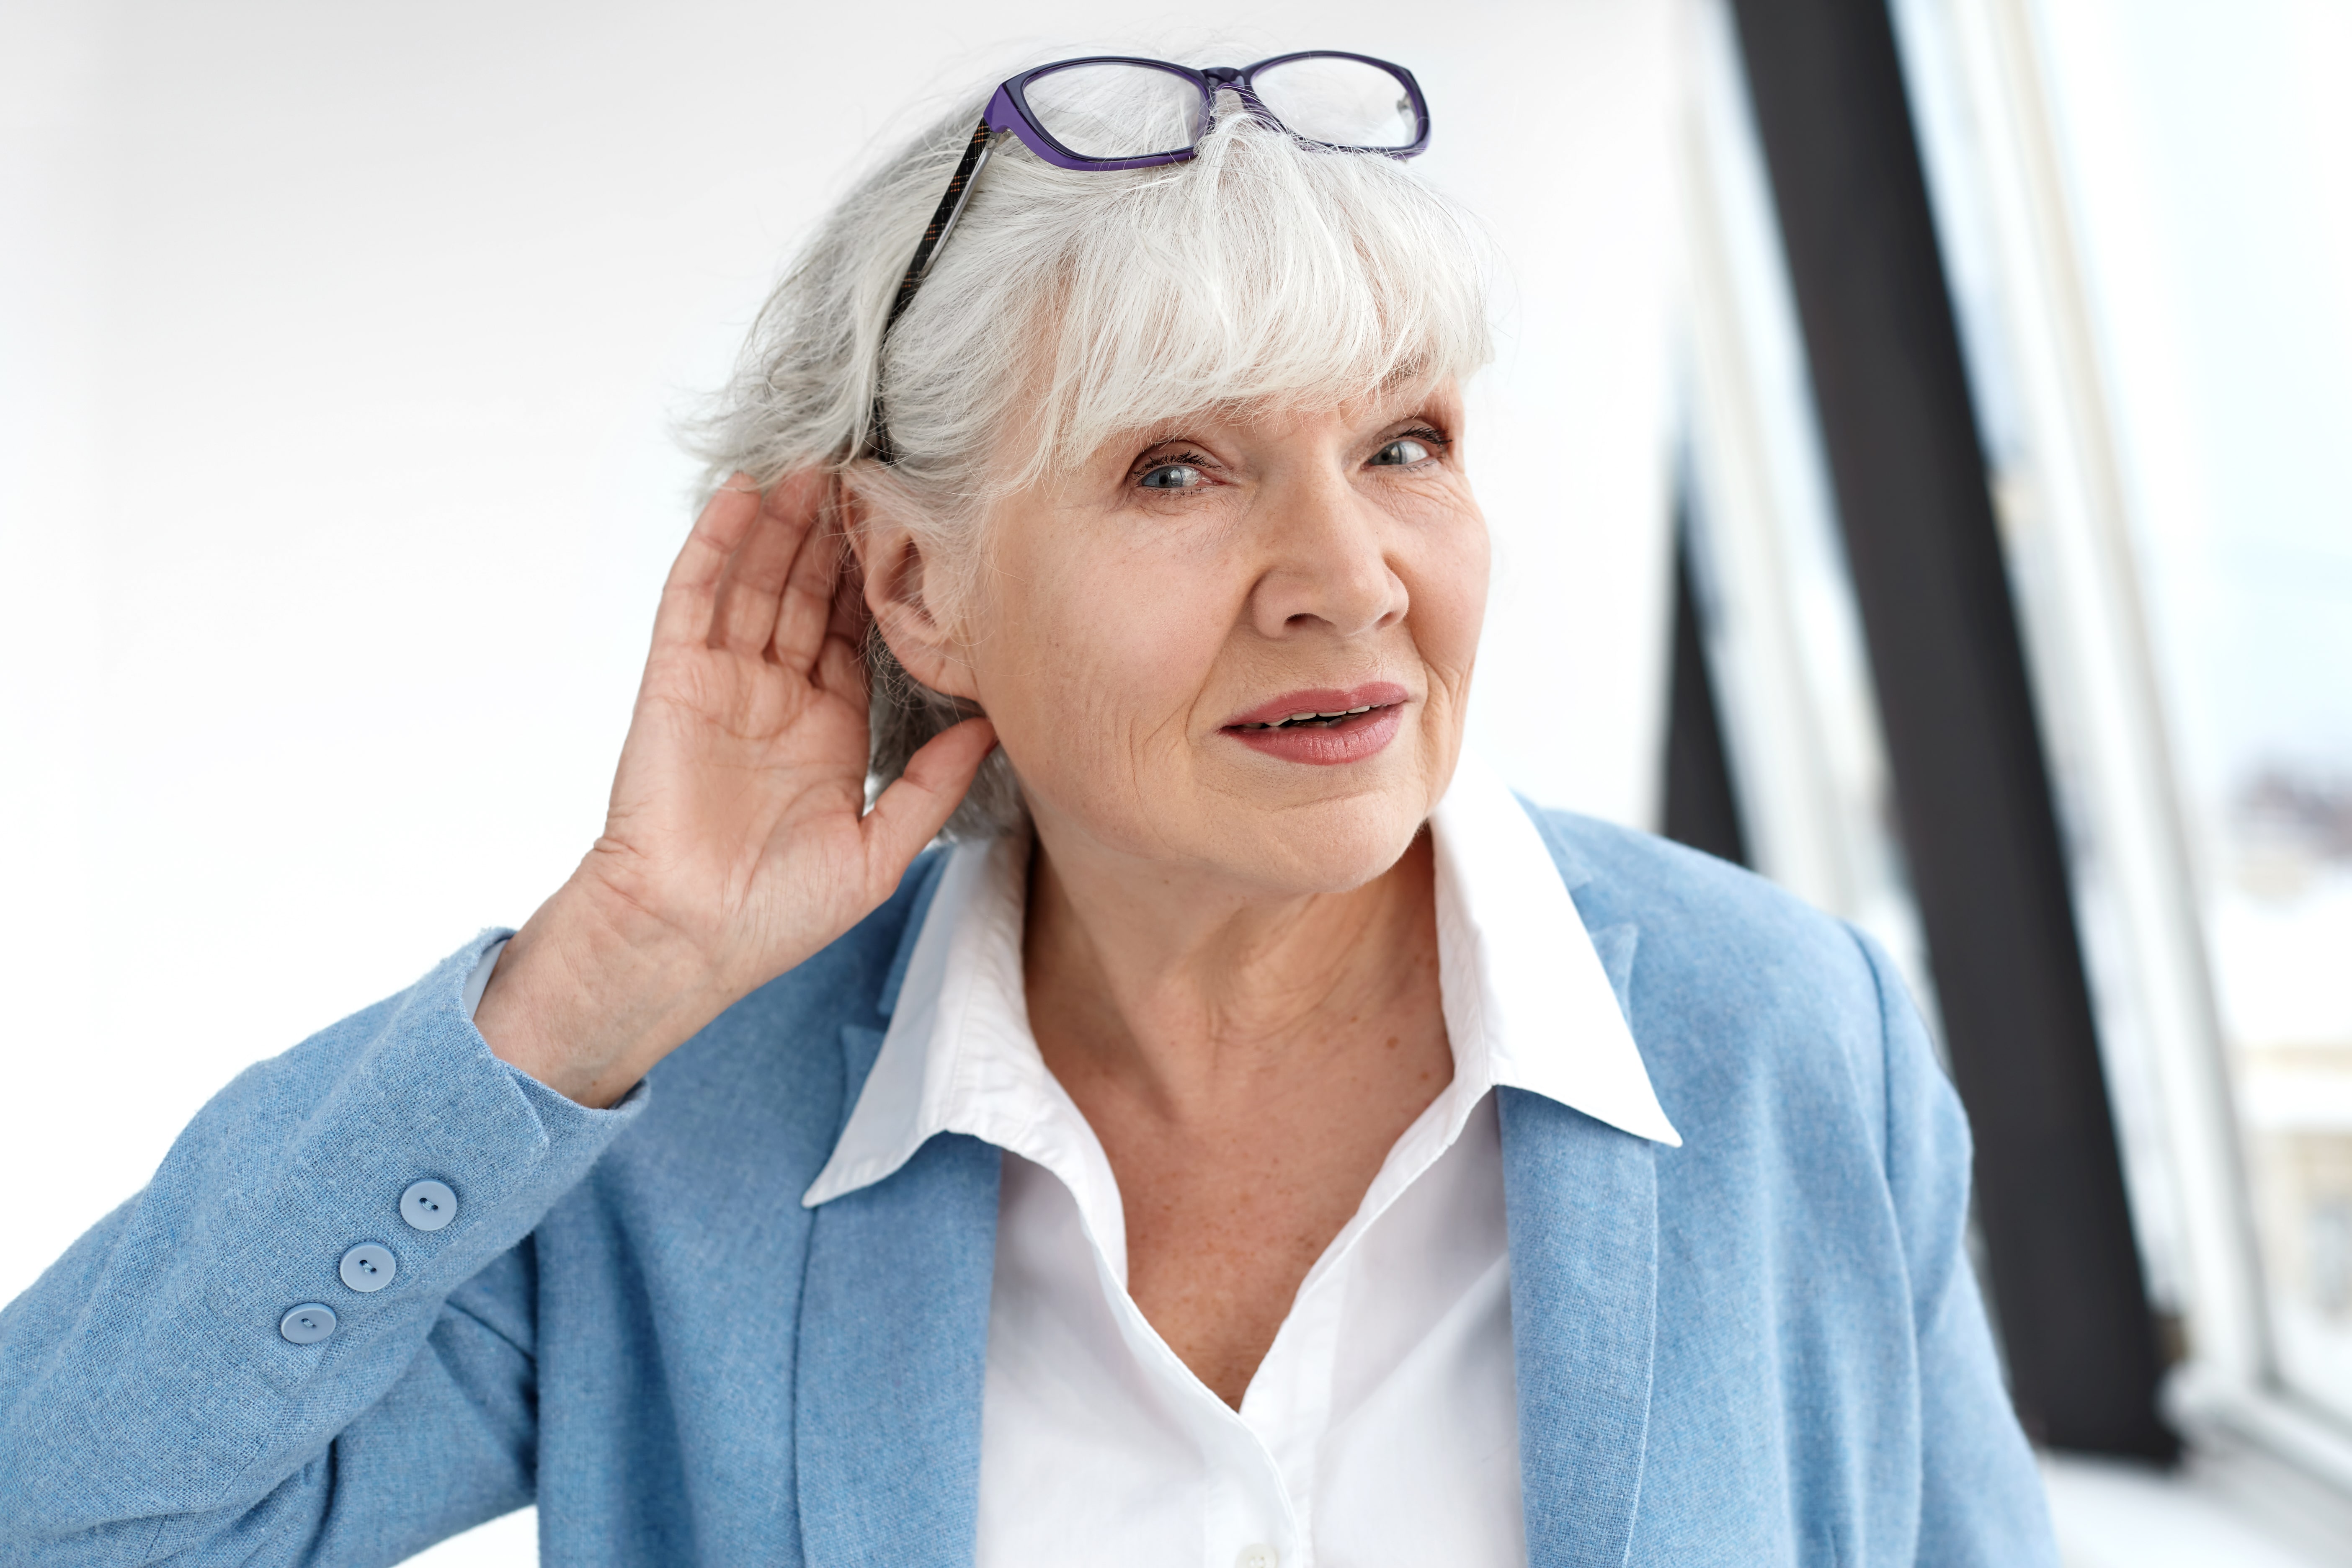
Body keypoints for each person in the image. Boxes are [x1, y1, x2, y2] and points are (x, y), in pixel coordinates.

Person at [0, 51, 2057, 1568]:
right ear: (916, 587)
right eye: (1177, 466)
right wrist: (596, 976)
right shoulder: (682, 1123)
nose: (1347, 575)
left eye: (1406, 441)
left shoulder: (1792, 1038)